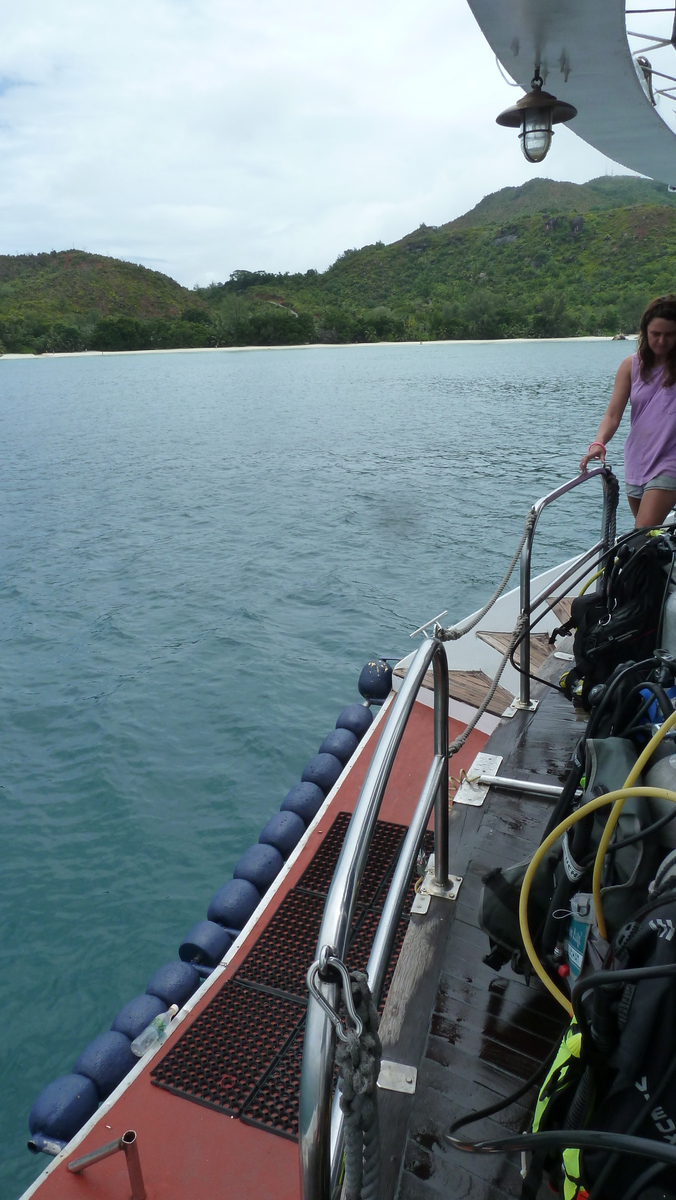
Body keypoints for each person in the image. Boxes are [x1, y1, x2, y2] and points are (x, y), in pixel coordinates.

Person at [580, 294, 676, 527]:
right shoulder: (630, 366)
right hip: (638, 459)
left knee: (640, 532)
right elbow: (612, 415)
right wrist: (599, 442)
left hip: (670, 462)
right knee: (646, 539)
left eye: (670, 334)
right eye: (656, 334)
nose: (662, 341)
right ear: (644, 332)